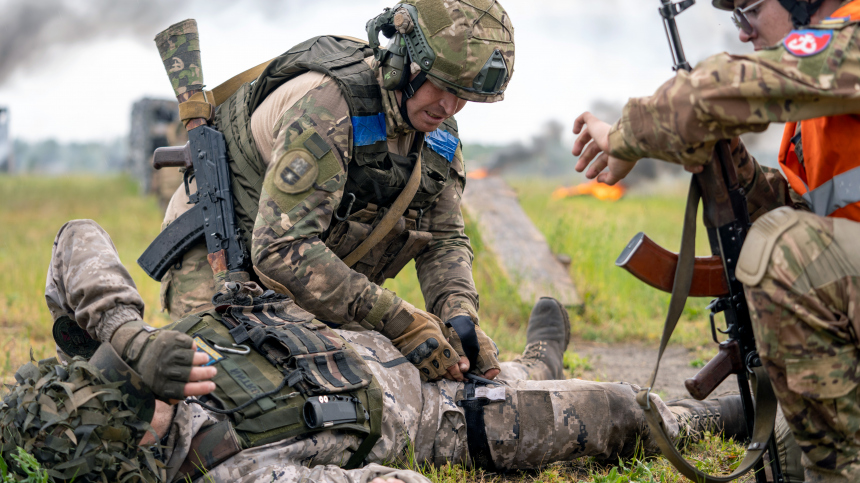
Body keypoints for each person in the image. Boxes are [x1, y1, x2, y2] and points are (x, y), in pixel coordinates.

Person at [1, 219, 752, 483]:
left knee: (502, 363)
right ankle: (725, 417)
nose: (161, 394)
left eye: (125, 379)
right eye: (148, 411)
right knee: (614, 409)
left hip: (367, 339)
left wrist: (129, 335)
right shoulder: (236, 467)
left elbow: (77, 237)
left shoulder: (128, 353)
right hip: (440, 419)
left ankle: (538, 361)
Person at [571, 0, 860, 480]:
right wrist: (734, 170)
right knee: (786, 455)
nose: (743, 33)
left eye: (749, 10)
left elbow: (716, 90)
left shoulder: (851, 41)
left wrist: (623, 135)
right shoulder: (818, 115)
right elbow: (812, 209)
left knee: (784, 251)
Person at [157, 0, 514, 386]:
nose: (449, 106)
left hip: (312, 279)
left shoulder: (439, 132)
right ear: (403, 61)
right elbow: (281, 249)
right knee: (233, 396)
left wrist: (458, 317)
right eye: (441, 85)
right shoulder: (328, 106)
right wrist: (400, 320)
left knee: (373, 386)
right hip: (221, 257)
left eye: (462, 94)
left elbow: (443, 239)